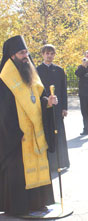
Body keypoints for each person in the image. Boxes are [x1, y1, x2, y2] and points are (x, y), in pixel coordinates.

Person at [0, 35, 58, 215]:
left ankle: (38, 204)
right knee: (18, 171)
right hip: (18, 136)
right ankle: (18, 207)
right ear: (12, 56)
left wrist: (47, 102)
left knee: (39, 166)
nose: (26, 56)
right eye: (21, 52)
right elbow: (3, 109)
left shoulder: (30, 71)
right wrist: (16, 132)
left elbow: (36, 99)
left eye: (26, 52)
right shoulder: (4, 78)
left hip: (35, 131)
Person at [37, 44, 70, 172]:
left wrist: (64, 107)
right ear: (43, 54)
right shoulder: (37, 70)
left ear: (54, 55)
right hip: (44, 107)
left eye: (51, 53)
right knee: (47, 133)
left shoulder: (60, 70)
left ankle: (62, 161)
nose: (49, 56)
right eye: (47, 53)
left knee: (59, 133)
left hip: (58, 107)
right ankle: (49, 163)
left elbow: (63, 90)